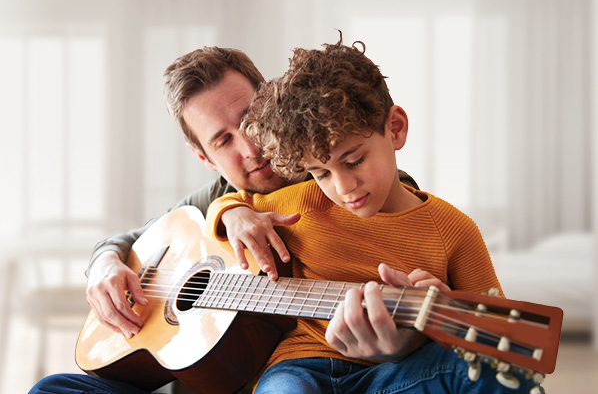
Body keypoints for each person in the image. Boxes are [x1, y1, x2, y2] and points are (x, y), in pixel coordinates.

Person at [29, 46, 419, 393]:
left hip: (312, 374)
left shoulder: (357, 183)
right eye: (222, 140)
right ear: (204, 158)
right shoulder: (211, 200)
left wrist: (401, 344)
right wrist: (103, 267)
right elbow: (130, 239)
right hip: (209, 380)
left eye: (251, 118)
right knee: (53, 389)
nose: (251, 147)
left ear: (274, 103)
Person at [204, 35, 541, 394]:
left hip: (399, 373)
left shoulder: (453, 230)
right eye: (321, 173)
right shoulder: (300, 204)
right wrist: (230, 211)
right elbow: (229, 206)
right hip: (300, 368)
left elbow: (506, 338)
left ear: (395, 129)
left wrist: (444, 327)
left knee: (500, 376)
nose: (343, 186)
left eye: (354, 161)